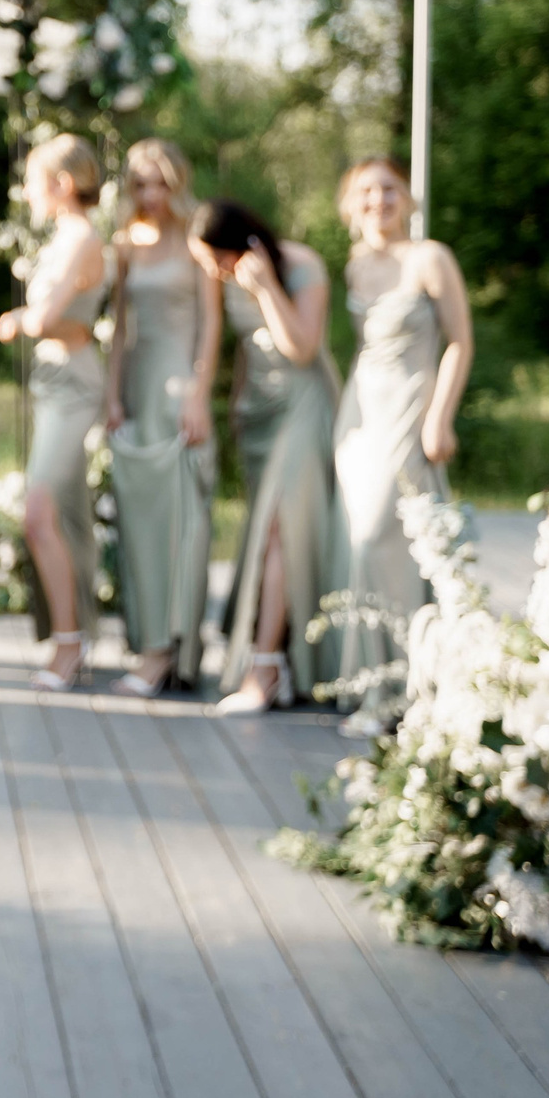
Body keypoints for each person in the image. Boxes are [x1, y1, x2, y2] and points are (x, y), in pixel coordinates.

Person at [193, 200, 342, 713]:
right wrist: (236, 407)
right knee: (270, 534)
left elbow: (300, 347)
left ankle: (265, 669)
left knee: (280, 528)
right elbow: (240, 347)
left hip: (304, 405)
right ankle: (286, 655)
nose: (215, 272)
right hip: (259, 415)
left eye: (220, 260)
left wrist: (265, 288)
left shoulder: (301, 266)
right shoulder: (219, 275)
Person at [330, 154, 473, 668]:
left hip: (411, 405)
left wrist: (440, 416)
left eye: (389, 189)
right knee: (353, 535)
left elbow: (460, 342)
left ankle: (405, 675)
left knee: (381, 534)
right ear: (350, 205)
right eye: (366, 192)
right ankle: (363, 676)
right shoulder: (355, 263)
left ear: (408, 198)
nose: (379, 200)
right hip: (359, 411)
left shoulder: (430, 258)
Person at [102, 139, 220, 695]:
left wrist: (199, 394)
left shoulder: (198, 236)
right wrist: (111, 395)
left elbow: (211, 326)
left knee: (184, 522)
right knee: (140, 523)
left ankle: (174, 650)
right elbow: (120, 327)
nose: (151, 194)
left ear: (178, 181)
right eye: (141, 184)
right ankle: (149, 645)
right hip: (137, 389)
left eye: (160, 182)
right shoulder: (126, 242)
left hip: (180, 390)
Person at [0, 135, 108, 692]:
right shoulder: (64, 236)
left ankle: (68, 643)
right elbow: (71, 323)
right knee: (63, 515)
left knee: (38, 514)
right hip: (53, 379)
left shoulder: (82, 237)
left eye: (34, 180)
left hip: (74, 385)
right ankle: (75, 633)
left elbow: (47, 318)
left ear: (62, 184)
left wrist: (19, 319)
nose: (27, 191)